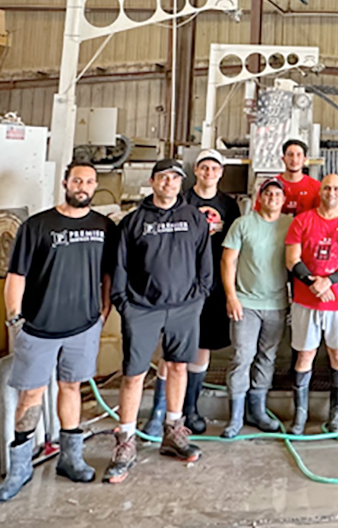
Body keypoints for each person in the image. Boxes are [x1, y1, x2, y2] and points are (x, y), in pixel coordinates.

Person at [0, 161, 114, 502]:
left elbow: (107, 274)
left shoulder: (104, 226)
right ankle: (20, 466)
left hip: (83, 325)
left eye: (90, 181)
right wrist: (15, 319)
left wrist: (103, 310)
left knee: (71, 387)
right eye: (77, 180)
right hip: (39, 326)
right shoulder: (37, 225)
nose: (83, 186)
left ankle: (70, 457)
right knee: (31, 394)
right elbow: (16, 275)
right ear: (65, 182)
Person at [104, 158, 213, 484]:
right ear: (152, 182)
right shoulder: (133, 221)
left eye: (176, 178)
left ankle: (173, 431)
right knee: (134, 375)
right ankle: (126, 441)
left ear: (181, 183)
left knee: (178, 366)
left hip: (184, 308)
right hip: (142, 308)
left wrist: (198, 297)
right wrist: (124, 303)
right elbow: (119, 266)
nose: (170, 183)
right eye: (164, 177)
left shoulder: (194, 218)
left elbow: (204, 261)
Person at [285, 174, 338, 434]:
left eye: (337, 188)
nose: (332, 192)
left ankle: (337, 414)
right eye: (327, 188)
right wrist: (312, 283)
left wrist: (328, 281)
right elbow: (291, 259)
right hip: (306, 302)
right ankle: (300, 415)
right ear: (321, 191)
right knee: (304, 355)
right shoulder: (302, 221)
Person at [220, 178, 293, 438]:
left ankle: (258, 411)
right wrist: (231, 297)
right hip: (246, 303)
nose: (273, 197)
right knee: (242, 356)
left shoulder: (291, 225)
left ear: (284, 200)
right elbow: (228, 262)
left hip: (276, 303)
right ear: (259, 197)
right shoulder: (243, 224)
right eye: (268, 193)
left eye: (278, 194)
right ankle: (236, 417)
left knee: (267, 357)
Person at [179, 148, 241, 434]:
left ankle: (190, 408)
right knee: (175, 347)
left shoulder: (229, 206)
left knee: (203, 346)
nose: (209, 173)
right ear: (196, 171)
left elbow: (234, 249)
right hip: (180, 284)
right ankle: (167, 411)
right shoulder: (182, 201)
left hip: (214, 285)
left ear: (221, 173)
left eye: (214, 168)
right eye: (204, 167)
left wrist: (232, 291)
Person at [254, 138, 320, 215]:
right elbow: (258, 215)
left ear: (304, 159)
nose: (294, 159)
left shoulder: (316, 187)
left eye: (298, 155)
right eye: (290, 154)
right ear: (283, 158)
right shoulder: (269, 186)